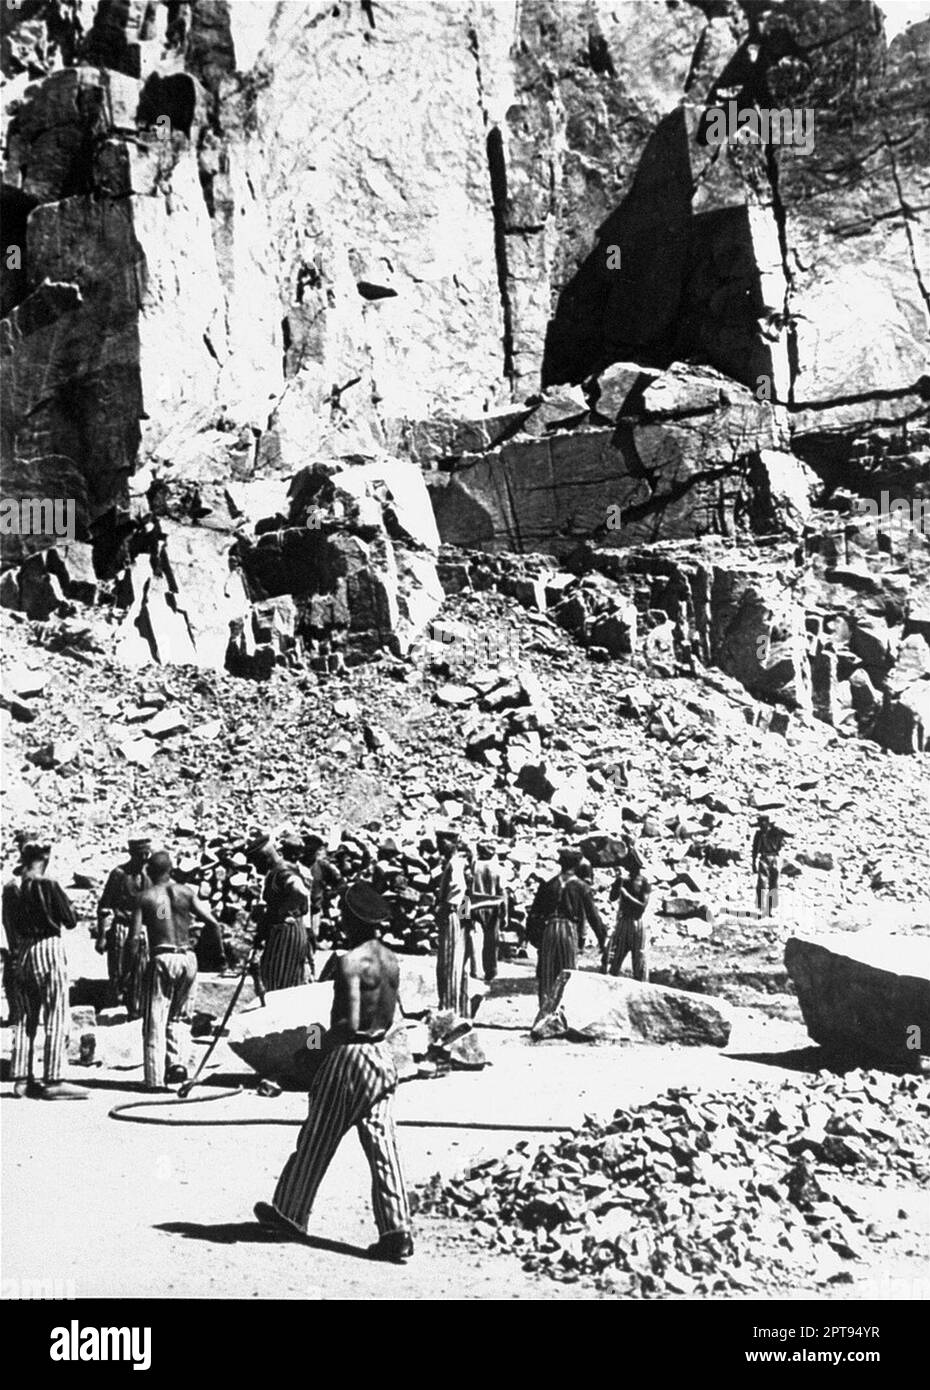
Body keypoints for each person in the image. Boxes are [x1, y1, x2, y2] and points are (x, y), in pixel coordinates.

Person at [254, 879, 413, 1263]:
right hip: (381, 1056)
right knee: (383, 1144)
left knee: (317, 1135)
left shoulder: (348, 962)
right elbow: (388, 1017)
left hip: (351, 1057)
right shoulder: (392, 961)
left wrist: (311, 1050)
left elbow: (344, 1022)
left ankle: (291, 1212)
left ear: (353, 919)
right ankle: (397, 1229)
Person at [130, 851, 224, 1091]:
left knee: (155, 1019)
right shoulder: (185, 892)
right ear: (171, 870)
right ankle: (177, 1066)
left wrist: (131, 968)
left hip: (163, 957)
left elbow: (135, 936)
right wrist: (219, 955)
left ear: (149, 871)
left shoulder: (146, 897)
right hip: (187, 957)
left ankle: (154, 1078)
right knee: (180, 1017)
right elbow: (213, 923)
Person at [4, 841, 86, 1099]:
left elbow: (8, 924)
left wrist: (16, 951)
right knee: (56, 1013)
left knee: (26, 1017)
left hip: (23, 948)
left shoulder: (11, 887)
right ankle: (54, 1078)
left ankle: (20, 1077)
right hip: (48, 946)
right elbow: (71, 920)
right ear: (46, 857)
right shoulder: (47, 884)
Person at [529, 848, 606, 1009]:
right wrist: (601, 938)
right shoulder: (581, 887)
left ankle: (544, 1012)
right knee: (568, 971)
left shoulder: (548, 884)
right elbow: (593, 916)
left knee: (547, 973)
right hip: (569, 929)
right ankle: (564, 1012)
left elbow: (534, 914)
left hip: (549, 929)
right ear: (577, 865)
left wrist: (534, 938)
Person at [246, 833, 311, 992]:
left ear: (265, 857)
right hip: (288, 929)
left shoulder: (282, 872)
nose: (256, 867)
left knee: (278, 981)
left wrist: (282, 910)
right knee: (286, 980)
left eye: (256, 862)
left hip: (285, 931)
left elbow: (301, 891)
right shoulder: (282, 869)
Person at [96, 833, 152, 1016]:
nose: (144, 858)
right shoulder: (119, 875)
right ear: (132, 853)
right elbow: (104, 906)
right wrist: (102, 935)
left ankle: (136, 1012)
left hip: (143, 929)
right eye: (140, 854)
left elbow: (160, 904)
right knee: (119, 972)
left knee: (141, 973)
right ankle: (114, 1010)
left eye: (147, 854)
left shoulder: (151, 875)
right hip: (122, 927)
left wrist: (162, 922)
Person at [434, 830, 471, 1015]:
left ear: (452, 843)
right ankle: (453, 1006)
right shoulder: (456, 863)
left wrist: (445, 910)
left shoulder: (455, 864)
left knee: (449, 963)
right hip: (456, 915)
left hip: (451, 913)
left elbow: (460, 893)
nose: (439, 845)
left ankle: (449, 1008)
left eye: (442, 841)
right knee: (452, 961)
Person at [605, 844, 652, 982]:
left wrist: (626, 895)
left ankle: (643, 988)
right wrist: (617, 884)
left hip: (638, 923)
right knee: (615, 958)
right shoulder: (623, 881)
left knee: (639, 959)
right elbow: (612, 897)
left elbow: (642, 906)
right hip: (624, 921)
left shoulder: (644, 882)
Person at [467, 840, 507, 983]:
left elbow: (468, 888)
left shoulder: (474, 866)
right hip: (493, 905)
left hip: (475, 904)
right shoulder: (498, 868)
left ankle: (474, 969)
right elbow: (502, 892)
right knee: (491, 941)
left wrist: (463, 912)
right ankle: (491, 971)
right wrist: (505, 914)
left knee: (473, 938)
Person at [752, 815, 784, 916]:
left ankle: (769, 910)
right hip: (766, 858)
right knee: (762, 883)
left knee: (773, 884)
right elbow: (755, 849)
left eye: (763, 823)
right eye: (760, 824)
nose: (761, 826)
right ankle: (762, 907)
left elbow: (780, 844)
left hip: (773, 858)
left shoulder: (774, 832)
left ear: (767, 823)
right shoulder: (760, 834)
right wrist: (753, 862)